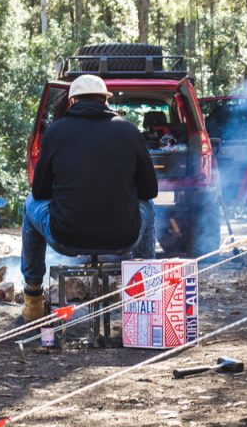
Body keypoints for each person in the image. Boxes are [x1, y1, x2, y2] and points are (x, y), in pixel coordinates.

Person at [21, 74, 158, 321]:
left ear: (72, 102)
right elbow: (150, 191)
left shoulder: (55, 132)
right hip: (124, 239)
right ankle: (146, 291)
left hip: (66, 237)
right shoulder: (129, 131)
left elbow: (39, 192)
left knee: (29, 205)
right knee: (149, 206)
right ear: (106, 101)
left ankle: (33, 297)